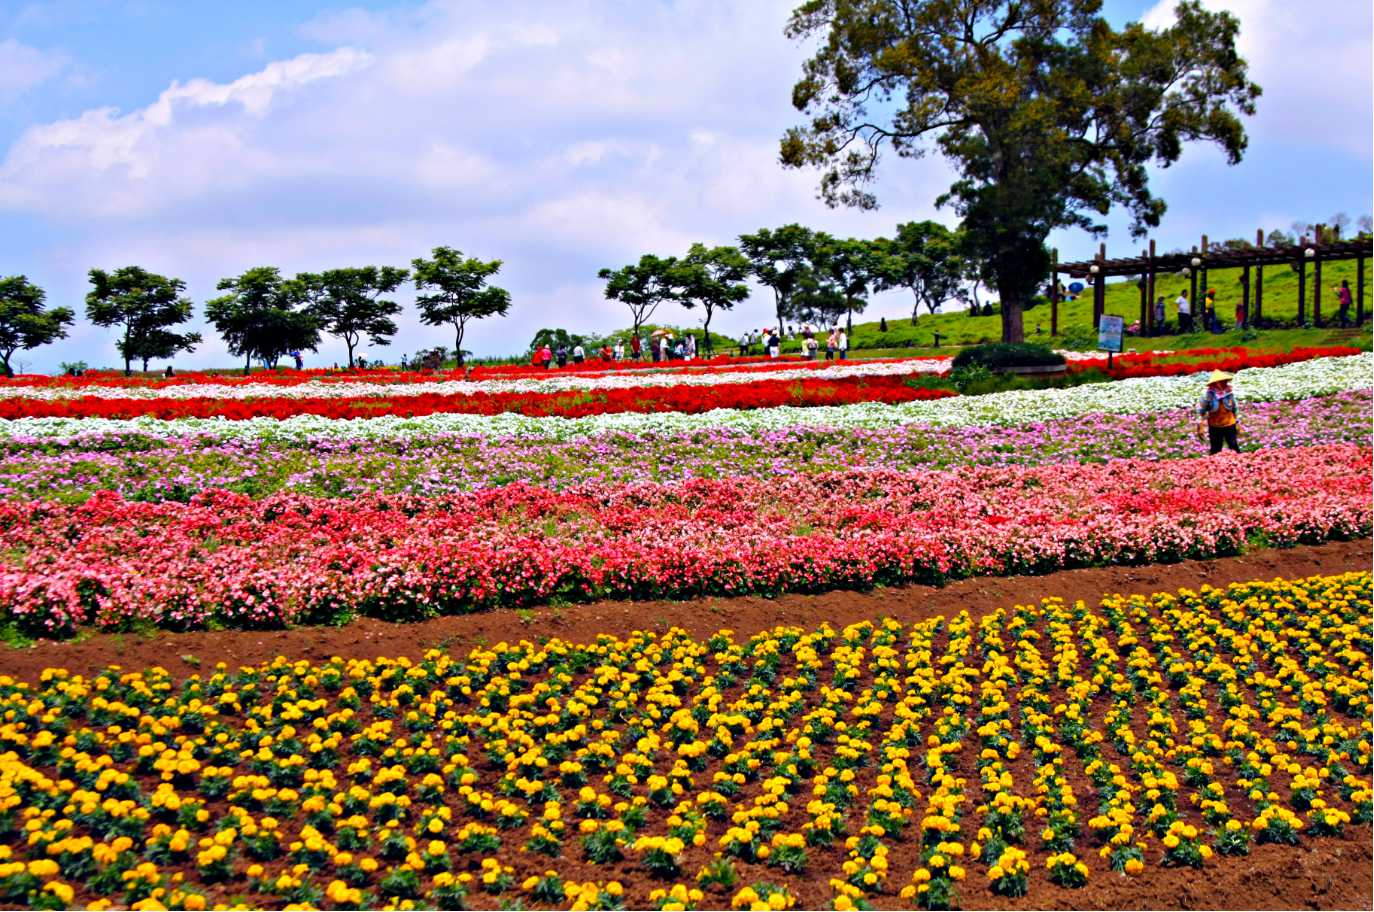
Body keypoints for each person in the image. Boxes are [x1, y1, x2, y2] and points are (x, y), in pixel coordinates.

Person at [1197, 369, 1240, 454]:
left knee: (1233, 445)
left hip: (1229, 423)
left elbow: (1235, 408)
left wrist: (1237, 423)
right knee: (1215, 449)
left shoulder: (1229, 393)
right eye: (1221, 382)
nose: (1224, 383)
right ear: (1214, 383)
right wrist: (1200, 426)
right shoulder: (1207, 396)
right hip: (1215, 425)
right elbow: (1201, 410)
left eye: (1224, 381)